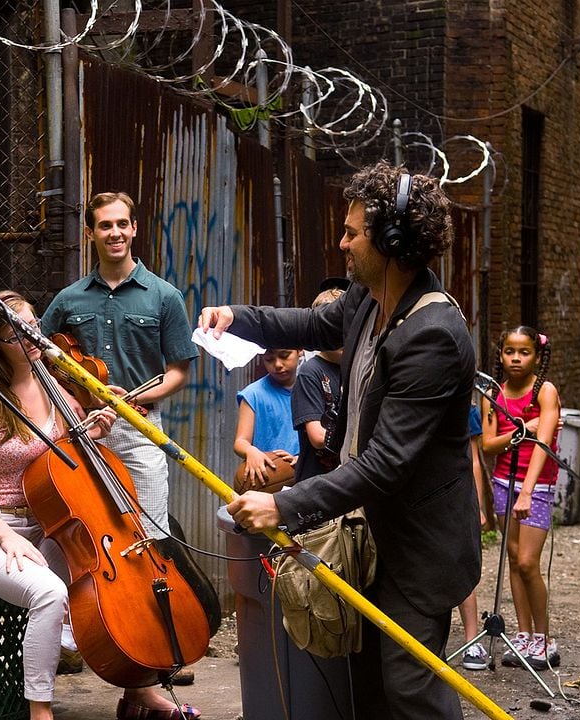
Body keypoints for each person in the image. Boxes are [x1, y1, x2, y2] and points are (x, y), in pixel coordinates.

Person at [199, 161, 481, 719]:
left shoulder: (433, 337)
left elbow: (385, 465)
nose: (342, 242)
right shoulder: (367, 298)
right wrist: (239, 317)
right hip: (369, 534)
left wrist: (283, 504)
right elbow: (310, 324)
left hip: (418, 549)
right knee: (368, 687)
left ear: (393, 241)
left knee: (411, 691)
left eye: (353, 232)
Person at [0, 291, 198, 720]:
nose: (30, 339)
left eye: (33, 327)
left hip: (47, 527)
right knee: (50, 593)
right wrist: (5, 536)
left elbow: (59, 461)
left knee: (126, 588)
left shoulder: (55, 385)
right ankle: (40, 711)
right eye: (16, 335)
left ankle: (140, 692)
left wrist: (91, 432)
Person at [40, 191, 200, 683]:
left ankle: (160, 652)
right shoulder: (69, 300)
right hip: (83, 427)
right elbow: (40, 356)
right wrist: (75, 390)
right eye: (104, 225)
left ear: (134, 229)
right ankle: (81, 637)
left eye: (122, 224)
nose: (114, 233)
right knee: (82, 536)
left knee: (150, 538)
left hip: (138, 424)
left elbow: (178, 371)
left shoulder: (163, 296)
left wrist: (132, 400)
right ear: (91, 233)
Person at [480, 326, 561, 671]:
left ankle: (544, 640)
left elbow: (542, 446)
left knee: (528, 562)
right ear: (500, 356)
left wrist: (527, 491)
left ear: (537, 357)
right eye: (509, 351)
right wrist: (520, 431)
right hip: (503, 481)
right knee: (512, 559)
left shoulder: (545, 392)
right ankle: (524, 634)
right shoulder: (492, 395)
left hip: (537, 485)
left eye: (524, 352)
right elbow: (487, 445)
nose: (516, 358)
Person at [289, 284, 346, 486]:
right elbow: (317, 437)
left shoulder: (357, 368)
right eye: (333, 330)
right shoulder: (310, 373)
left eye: (345, 327)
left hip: (349, 482)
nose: (340, 336)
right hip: (315, 485)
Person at [233, 348, 301, 489]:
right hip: (265, 478)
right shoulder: (253, 394)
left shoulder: (312, 389)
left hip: (304, 478)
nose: (277, 364)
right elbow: (240, 441)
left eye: (284, 355)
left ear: (300, 350)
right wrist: (250, 451)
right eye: (269, 359)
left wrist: (302, 459)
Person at [458, 402, 491, 670]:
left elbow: (475, 461)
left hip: (457, 497)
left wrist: (477, 506)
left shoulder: (466, 410)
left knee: (462, 566)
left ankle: (472, 640)